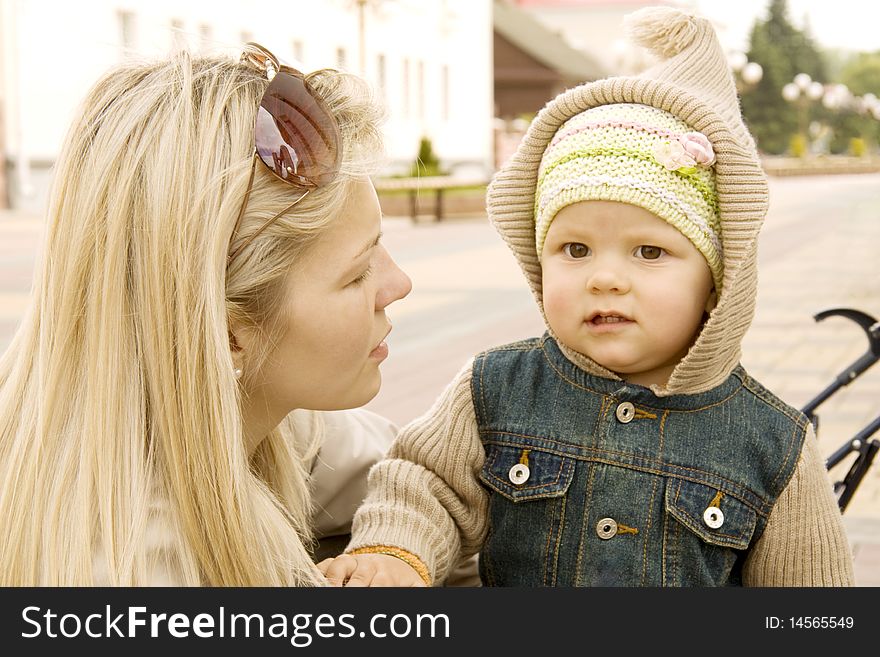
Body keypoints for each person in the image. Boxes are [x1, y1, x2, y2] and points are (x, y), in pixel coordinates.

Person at [319, 7, 855, 587]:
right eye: (575, 250)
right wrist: (395, 555)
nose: (605, 278)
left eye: (648, 253)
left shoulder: (772, 444)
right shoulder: (497, 389)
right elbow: (426, 485)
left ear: (717, 279)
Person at [0, 42, 414, 585]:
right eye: (357, 273)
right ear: (228, 334)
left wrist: (407, 544)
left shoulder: (247, 412)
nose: (398, 284)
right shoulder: (137, 572)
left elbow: (421, 475)